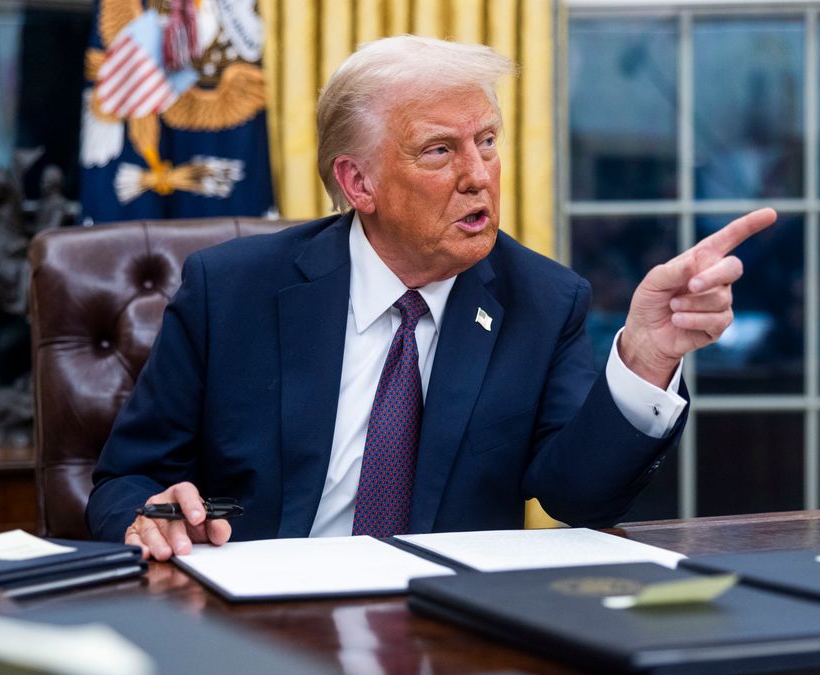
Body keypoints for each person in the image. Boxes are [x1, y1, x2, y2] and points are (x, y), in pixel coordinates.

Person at [86, 36, 775, 561]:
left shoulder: (541, 300)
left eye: (487, 142)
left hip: (446, 629)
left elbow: (579, 496)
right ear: (358, 183)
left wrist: (645, 357)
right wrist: (148, 512)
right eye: (440, 151)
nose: (478, 175)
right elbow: (126, 477)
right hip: (256, 624)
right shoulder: (231, 289)